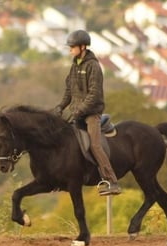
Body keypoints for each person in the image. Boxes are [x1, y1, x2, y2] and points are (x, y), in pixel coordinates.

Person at [53, 30, 121, 196]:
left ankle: (112, 181)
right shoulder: (74, 65)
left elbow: (94, 94)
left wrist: (80, 110)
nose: (70, 49)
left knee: (94, 145)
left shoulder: (93, 66)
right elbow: (69, 91)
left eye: (72, 46)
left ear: (83, 47)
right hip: (77, 113)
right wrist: (60, 107)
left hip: (91, 114)